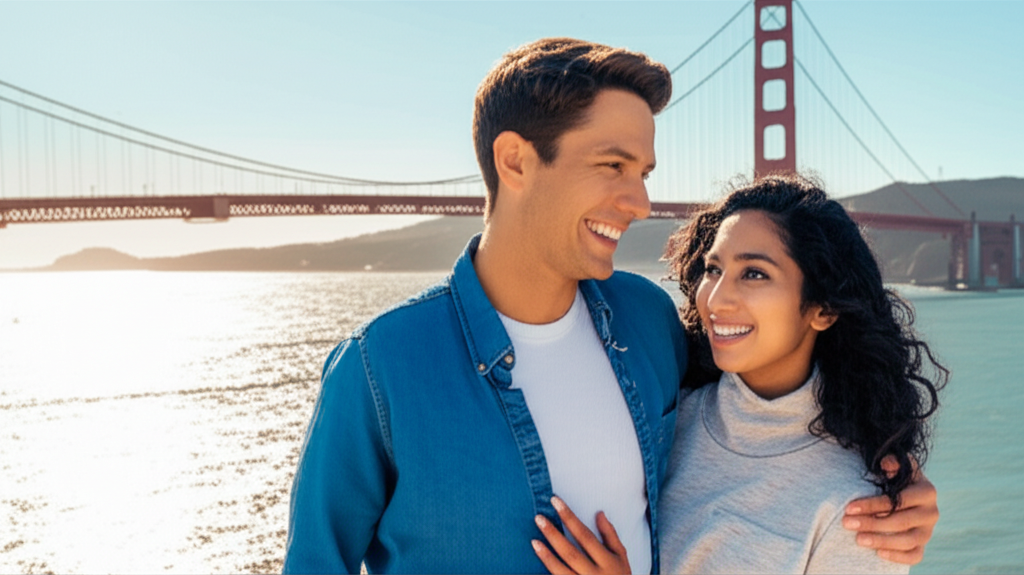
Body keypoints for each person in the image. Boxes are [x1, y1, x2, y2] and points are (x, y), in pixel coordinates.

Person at [284, 38, 938, 574]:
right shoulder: (380, 369)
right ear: (515, 161)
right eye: (613, 165)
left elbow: (767, 404)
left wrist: (896, 480)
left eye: (644, 171)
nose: (641, 202)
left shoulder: (649, 325)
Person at [531, 175, 946, 574]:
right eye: (713, 270)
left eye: (754, 273)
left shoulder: (858, 505)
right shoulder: (667, 412)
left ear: (824, 309)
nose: (716, 297)